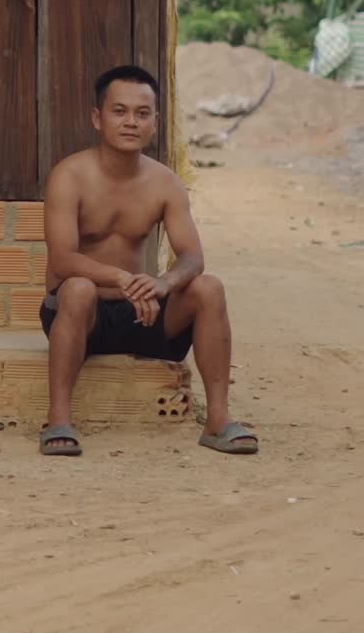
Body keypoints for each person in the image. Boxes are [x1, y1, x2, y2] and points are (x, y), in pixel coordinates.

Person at [38, 64, 258, 458]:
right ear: (97, 118)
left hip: (144, 311)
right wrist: (120, 277)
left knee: (209, 288)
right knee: (78, 288)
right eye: (119, 111)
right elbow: (62, 259)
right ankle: (58, 419)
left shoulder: (165, 183)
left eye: (142, 114)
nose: (131, 122)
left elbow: (192, 257)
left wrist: (163, 283)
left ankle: (218, 420)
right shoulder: (69, 175)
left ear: (155, 122)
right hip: (83, 314)